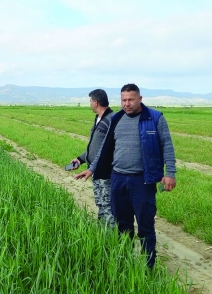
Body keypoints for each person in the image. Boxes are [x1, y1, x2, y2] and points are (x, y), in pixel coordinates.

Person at [75, 83, 176, 270]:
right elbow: (104, 149)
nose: (127, 104)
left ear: (140, 99)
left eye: (131, 99)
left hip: (142, 181)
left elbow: (167, 146)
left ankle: (148, 267)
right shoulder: (116, 119)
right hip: (118, 179)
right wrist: (92, 168)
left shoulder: (155, 118)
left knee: (145, 226)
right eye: (123, 100)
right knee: (123, 225)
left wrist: (170, 173)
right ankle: (125, 263)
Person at [70, 89, 115, 228]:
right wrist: (80, 159)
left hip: (106, 171)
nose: (90, 104)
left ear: (95, 102)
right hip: (95, 170)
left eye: (90, 101)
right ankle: (103, 234)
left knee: (107, 205)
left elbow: (107, 149)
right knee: (101, 203)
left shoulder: (111, 120)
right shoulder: (98, 119)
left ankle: (112, 238)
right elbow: (95, 146)